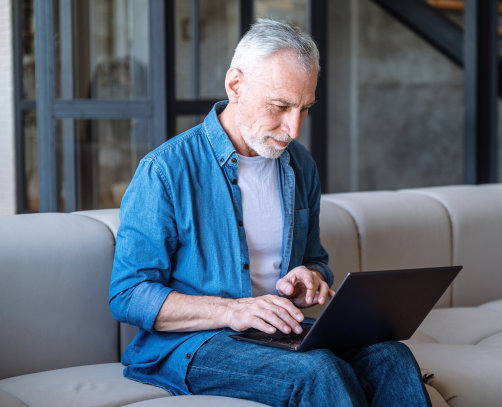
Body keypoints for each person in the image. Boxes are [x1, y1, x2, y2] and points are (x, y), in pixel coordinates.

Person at [109, 18, 431, 407]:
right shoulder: (165, 170)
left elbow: (316, 259)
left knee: (390, 356)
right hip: (193, 345)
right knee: (318, 371)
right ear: (235, 86)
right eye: (280, 106)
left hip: (277, 332)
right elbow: (128, 295)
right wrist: (235, 311)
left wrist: (310, 277)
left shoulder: (299, 165)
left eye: (304, 109)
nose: (294, 128)